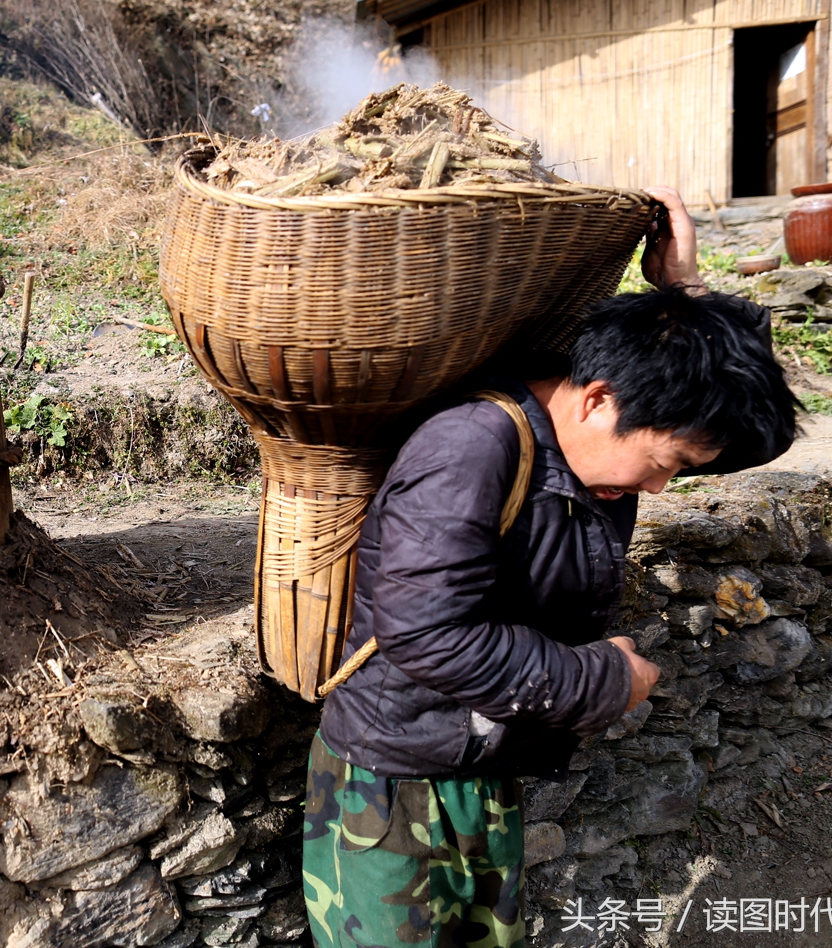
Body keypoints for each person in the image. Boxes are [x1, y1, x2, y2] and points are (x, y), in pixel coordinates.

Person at [301, 187, 800, 948]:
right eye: (665, 465)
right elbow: (428, 633)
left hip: (479, 765)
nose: (664, 488)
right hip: (392, 788)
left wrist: (686, 292)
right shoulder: (470, 448)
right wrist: (604, 681)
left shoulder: (601, 438)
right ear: (598, 398)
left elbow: (748, 434)